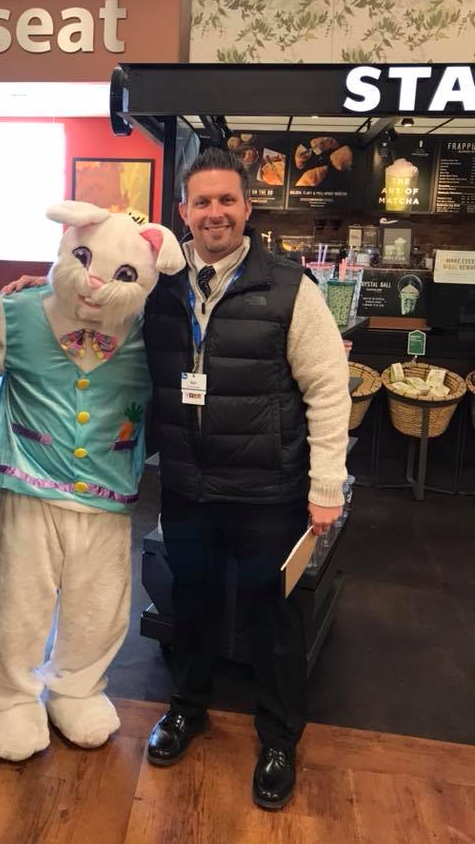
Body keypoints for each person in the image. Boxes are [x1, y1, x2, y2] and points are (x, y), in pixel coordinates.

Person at [143, 146, 350, 810]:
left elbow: (328, 389)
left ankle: (279, 739)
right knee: (192, 606)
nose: (215, 213)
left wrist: (325, 487)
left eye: (227, 200)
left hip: (268, 492)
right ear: (183, 211)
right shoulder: (156, 284)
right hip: (187, 486)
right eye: (202, 201)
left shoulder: (290, 287)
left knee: (274, 619)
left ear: (247, 207)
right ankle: (187, 707)